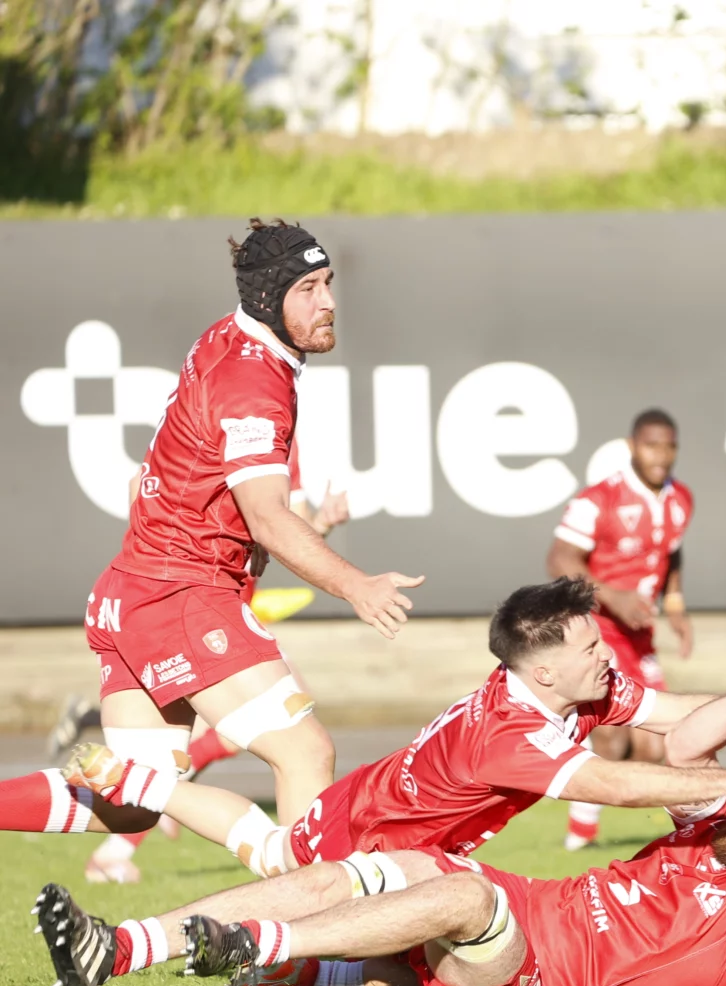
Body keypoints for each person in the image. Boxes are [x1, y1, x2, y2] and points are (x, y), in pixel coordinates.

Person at [37, 577, 726, 986]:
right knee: (295, 884)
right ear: (542, 669)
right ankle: (162, 816)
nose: (609, 656)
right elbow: (613, 784)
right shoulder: (513, 733)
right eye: (591, 644)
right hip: (374, 833)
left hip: (389, 823)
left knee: (279, 861)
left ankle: (159, 911)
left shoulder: (572, 689)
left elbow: (680, 719)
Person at [0, 218, 423, 881]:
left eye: (329, 283)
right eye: (309, 288)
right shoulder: (254, 380)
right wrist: (357, 586)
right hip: (180, 594)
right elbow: (267, 517)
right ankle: (312, 946)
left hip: (130, 589)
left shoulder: (227, 342)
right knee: (305, 754)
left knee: (134, 804)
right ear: (267, 298)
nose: (329, 302)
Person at [80, 483, 351, 884]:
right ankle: (139, 824)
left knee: (281, 734)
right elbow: (145, 490)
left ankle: (150, 811)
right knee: (282, 741)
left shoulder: (282, 450)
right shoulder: (221, 432)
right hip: (197, 611)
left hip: (226, 610)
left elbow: (287, 533)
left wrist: (322, 523)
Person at [547, 408, 695, 851]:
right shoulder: (600, 499)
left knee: (656, 745)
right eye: (652, 445)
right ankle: (580, 838)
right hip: (599, 628)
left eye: (669, 446)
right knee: (611, 733)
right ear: (632, 446)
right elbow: (559, 559)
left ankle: (683, 838)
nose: (661, 455)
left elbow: (672, 556)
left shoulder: (681, 499)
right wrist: (612, 596)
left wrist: (675, 605)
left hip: (640, 633)